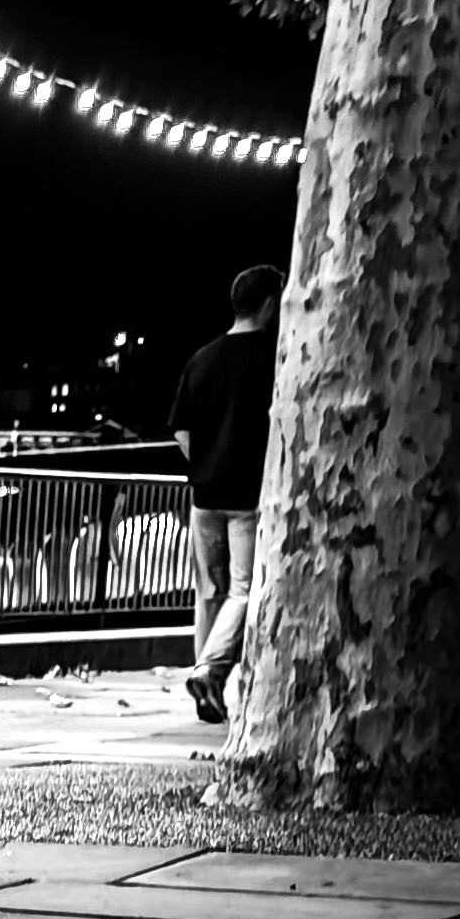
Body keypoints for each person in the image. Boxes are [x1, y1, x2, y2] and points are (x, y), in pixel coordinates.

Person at [171, 263, 283, 723]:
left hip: (204, 497)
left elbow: (181, 431)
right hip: (247, 498)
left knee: (209, 594)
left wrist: (205, 467)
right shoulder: (274, 359)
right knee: (245, 591)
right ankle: (210, 672)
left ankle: (207, 693)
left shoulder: (202, 359)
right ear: (270, 304)